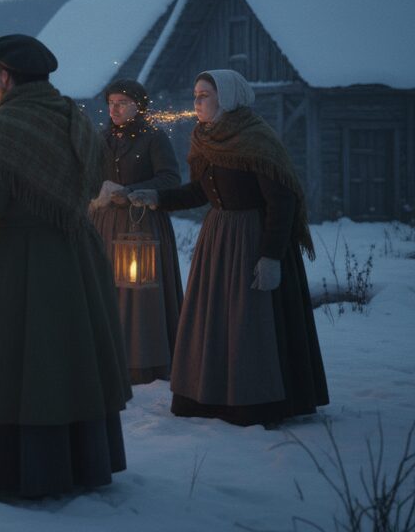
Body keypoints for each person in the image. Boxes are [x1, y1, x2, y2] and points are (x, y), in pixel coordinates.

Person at [0, 34, 129, 497]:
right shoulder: (74, 118)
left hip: (24, 268)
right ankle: (80, 464)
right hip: (78, 257)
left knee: (24, 366)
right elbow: (91, 184)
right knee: (70, 362)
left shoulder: (4, 127)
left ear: (6, 77)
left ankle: (21, 471)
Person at [128, 69, 328, 427]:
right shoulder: (204, 139)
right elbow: (198, 192)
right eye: (195, 95)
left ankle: (253, 402)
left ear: (228, 98)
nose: (197, 102)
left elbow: (282, 202)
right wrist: (157, 197)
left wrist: (270, 256)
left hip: (253, 238)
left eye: (204, 95)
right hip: (219, 239)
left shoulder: (256, 139)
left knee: (250, 321)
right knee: (215, 321)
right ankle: (207, 397)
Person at [90, 79, 184, 384]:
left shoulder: (154, 138)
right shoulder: (101, 138)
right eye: (111, 103)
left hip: (142, 223)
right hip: (105, 225)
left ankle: (144, 363)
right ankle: (108, 359)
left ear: (138, 106)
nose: (114, 109)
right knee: (106, 292)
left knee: (140, 294)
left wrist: (130, 191)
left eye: (122, 103)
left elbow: (170, 179)